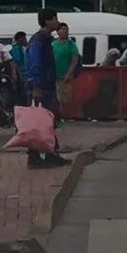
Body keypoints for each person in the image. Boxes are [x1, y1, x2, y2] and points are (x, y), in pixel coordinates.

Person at [25, 9, 71, 169]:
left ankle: (50, 153)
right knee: (39, 121)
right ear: (47, 21)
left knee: (48, 120)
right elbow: (35, 63)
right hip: (41, 87)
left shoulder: (46, 39)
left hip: (47, 85)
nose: (57, 21)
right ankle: (34, 157)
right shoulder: (38, 41)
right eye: (55, 18)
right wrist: (36, 86)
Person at [52, 23, 80, 126]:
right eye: (63, 29)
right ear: (58, 31)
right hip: (55, 74)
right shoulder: (54, 44)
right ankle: (59, 117)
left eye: (66, 29)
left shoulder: (71, 44)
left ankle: (63, 117)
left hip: (65, 75)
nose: (65, 31)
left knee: (65, 97)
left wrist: (69, 72)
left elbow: (74, 60)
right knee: (57, 97)